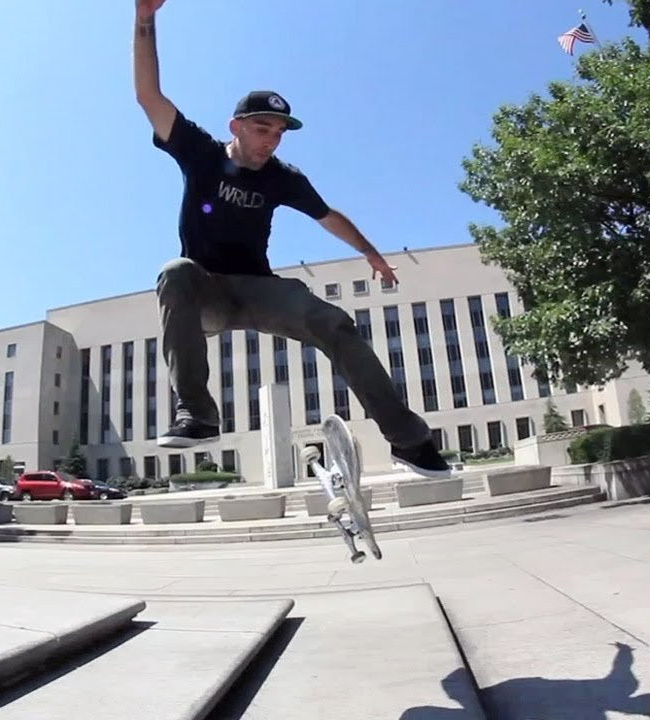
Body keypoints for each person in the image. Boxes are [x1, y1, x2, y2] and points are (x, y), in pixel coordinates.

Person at [132, 0, 451, 478]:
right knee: (174, 272)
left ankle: (409, 440)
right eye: (262, 130)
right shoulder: (197, 149)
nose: (270, 142)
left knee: (335, 323)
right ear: (235, 126)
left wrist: (371, 253)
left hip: (259, 290)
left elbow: (327, 216)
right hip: (207, 292)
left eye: (278, 133)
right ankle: (196, 413)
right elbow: (148, 95)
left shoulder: (283, 177)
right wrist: (144, 18)